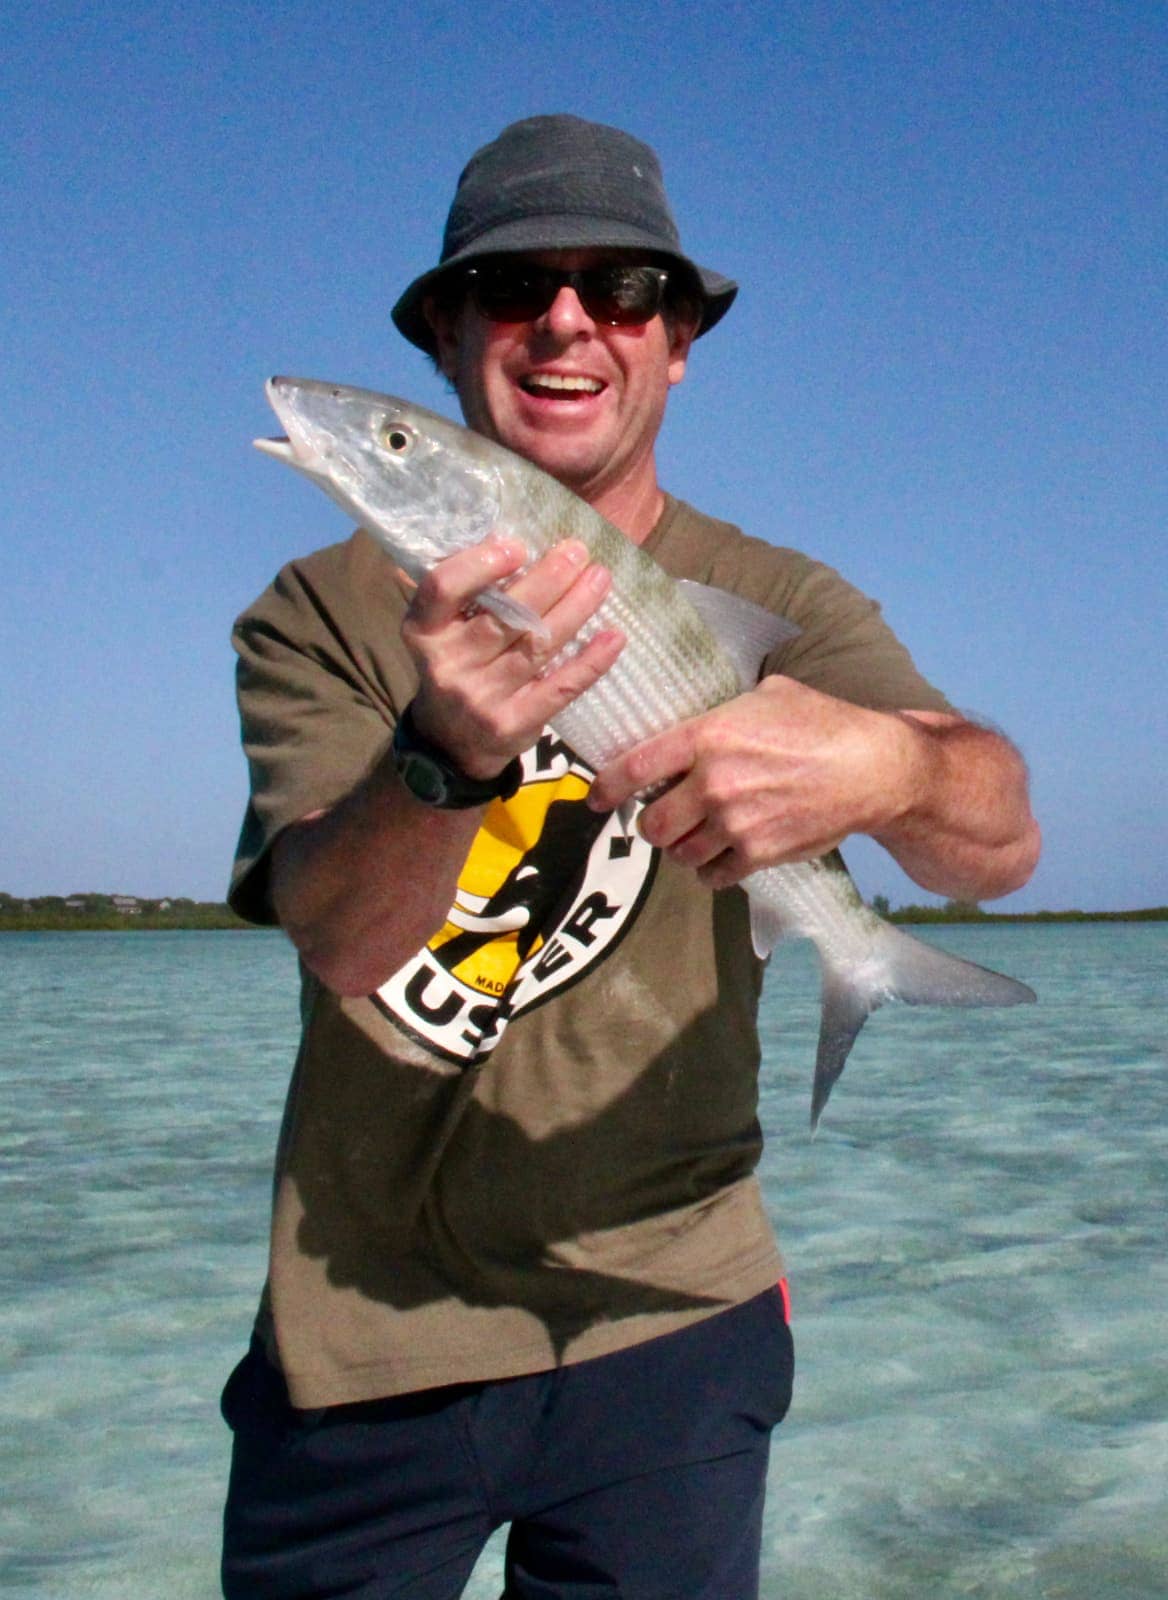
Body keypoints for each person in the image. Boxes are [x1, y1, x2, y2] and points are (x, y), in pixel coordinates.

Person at [220, 114, 1040, 1599]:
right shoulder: (319, 613)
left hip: (677, 1316)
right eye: (518, 288)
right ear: (452, 336)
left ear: (677, 344)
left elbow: (1000, 844)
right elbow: (342, 943)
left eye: (623, 291)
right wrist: (442, 756)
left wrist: (890, 762)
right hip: (366, 1341)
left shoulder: (780, 599)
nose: (567, 323)